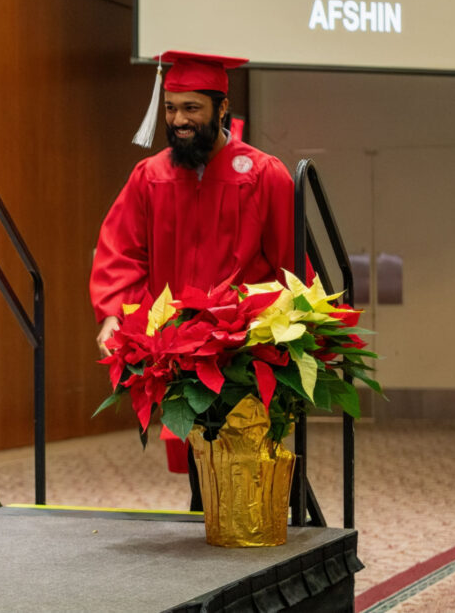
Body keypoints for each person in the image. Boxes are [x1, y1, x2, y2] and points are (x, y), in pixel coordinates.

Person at [89, 51, 307, 510]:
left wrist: (286, 330)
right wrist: (113, 313)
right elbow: (121, 252)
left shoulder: (265, 175)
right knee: (200, 463)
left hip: (245, 348)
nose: (179, 120)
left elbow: (292, 266)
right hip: (177, 347)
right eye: (171, 108)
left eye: (192, 108)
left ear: (221, 108)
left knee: (249, 460)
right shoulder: (150, 177)